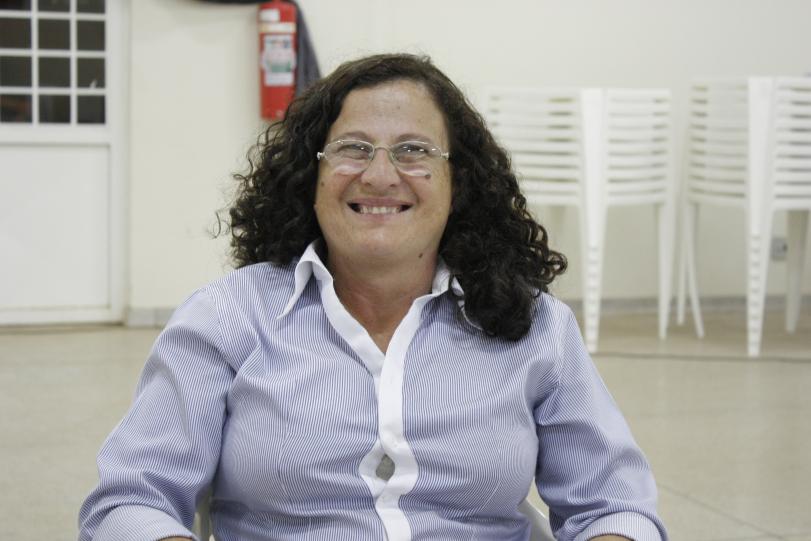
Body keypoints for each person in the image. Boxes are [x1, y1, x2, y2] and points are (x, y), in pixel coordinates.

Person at [79, 53, 668, 541]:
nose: (381, 175)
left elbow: (615, 505)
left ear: (458, 182)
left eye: (414, 150)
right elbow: (130, 501)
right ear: (310, 176)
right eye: (353, 148)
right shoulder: (228, 317)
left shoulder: (535, 325)